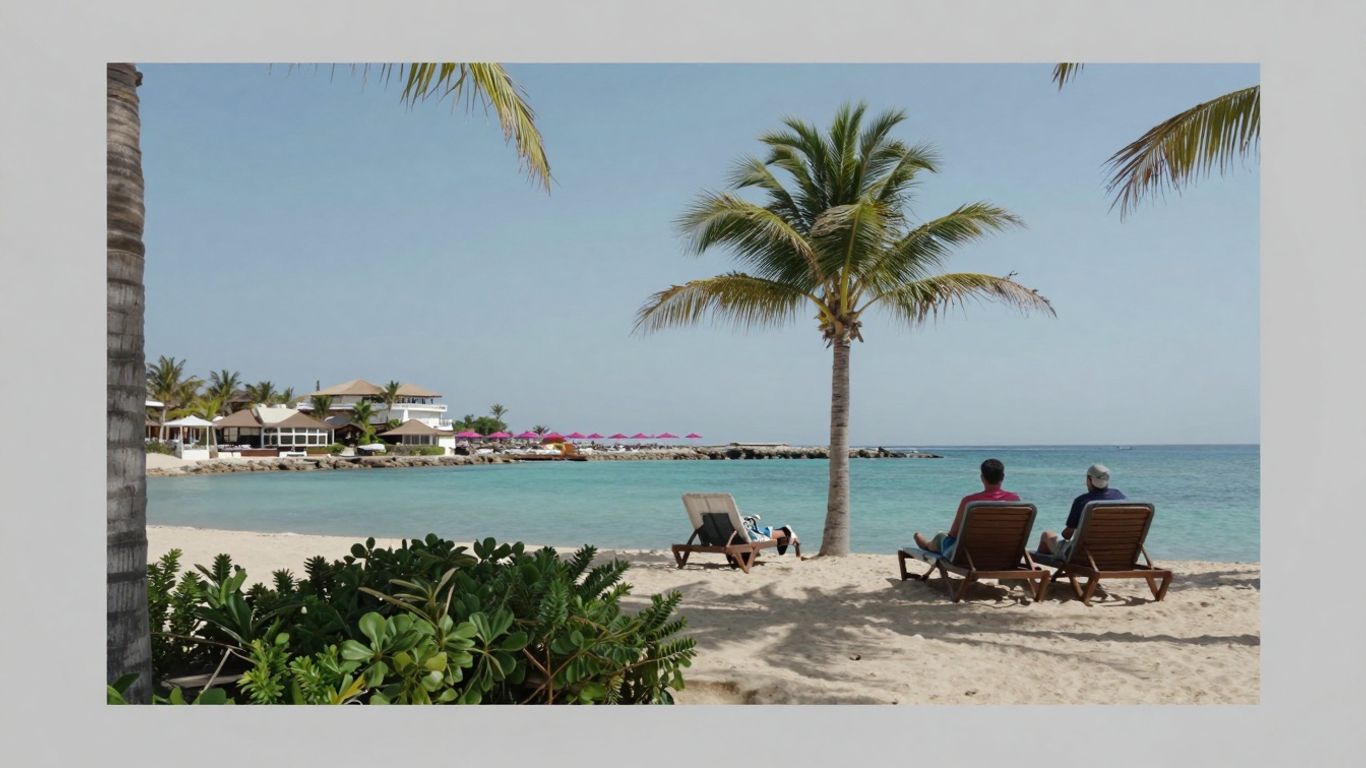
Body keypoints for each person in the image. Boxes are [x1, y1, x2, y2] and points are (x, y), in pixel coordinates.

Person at [913, 458, 1020, 557]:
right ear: (1003, 477)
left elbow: (953, 534)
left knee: (941, 537)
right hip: (1004, 553)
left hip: (969, 556)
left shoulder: (970, 502)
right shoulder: (1015, 500)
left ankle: (927, 545)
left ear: (982, 478)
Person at [1037, 463, 1126, 557]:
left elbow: (1067, 535)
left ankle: (1036, 565)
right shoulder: (1120, 497)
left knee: (1046, 535)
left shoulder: (1082, 501)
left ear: (1089, 480)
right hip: (1116, 552)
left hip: (1084, 555)